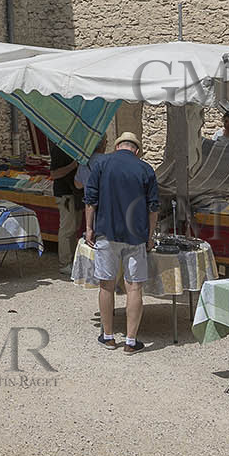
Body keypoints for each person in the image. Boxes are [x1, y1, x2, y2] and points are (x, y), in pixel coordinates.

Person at [84, 130, 160, 354]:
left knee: (106, 285)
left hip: (106, 232)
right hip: (135, 236)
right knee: (134, 287)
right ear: (136, 150)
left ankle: (108, 337)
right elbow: (153, 208)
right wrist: (150, 236)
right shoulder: (145, 168)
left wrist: (89, 229)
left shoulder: (101, 164)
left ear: (117, 146)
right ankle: (130, 341)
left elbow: (90, 201)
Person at [49, 139, 79, 275]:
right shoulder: (59, 149)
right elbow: (54, 174)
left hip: (74, 193)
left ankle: (71, 260)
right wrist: (73, 166)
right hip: (65, 194)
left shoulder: (73, 147)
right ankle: (65, 263)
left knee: (73, 228)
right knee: (67, 229)